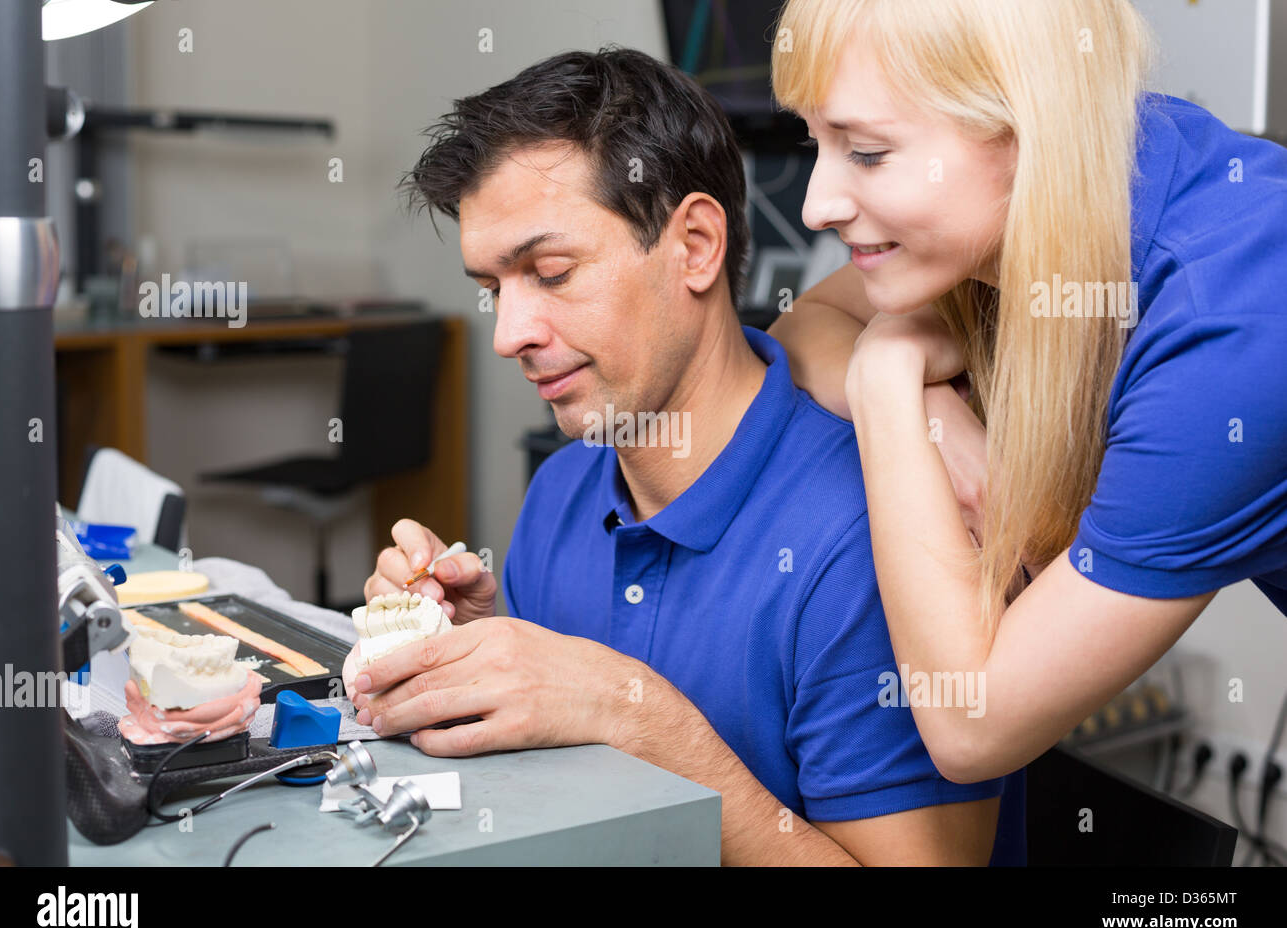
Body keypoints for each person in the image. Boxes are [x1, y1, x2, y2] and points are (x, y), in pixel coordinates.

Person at [352, 47, 1023, 865]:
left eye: (552, 273)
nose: (508, 335)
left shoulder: (872, 538)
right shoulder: (565, 487)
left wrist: (638, 719)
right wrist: (485, 659)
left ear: (697, 246)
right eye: (495, 289)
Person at [767, 0, 1287, 785]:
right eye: (818, 143)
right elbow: (807, 323)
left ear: (1024, 131)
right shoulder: (1093, 177)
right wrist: (935, 415)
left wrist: (886, 385)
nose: (816, 205)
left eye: (868, 152)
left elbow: (973, 725)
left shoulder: (1229, 329)